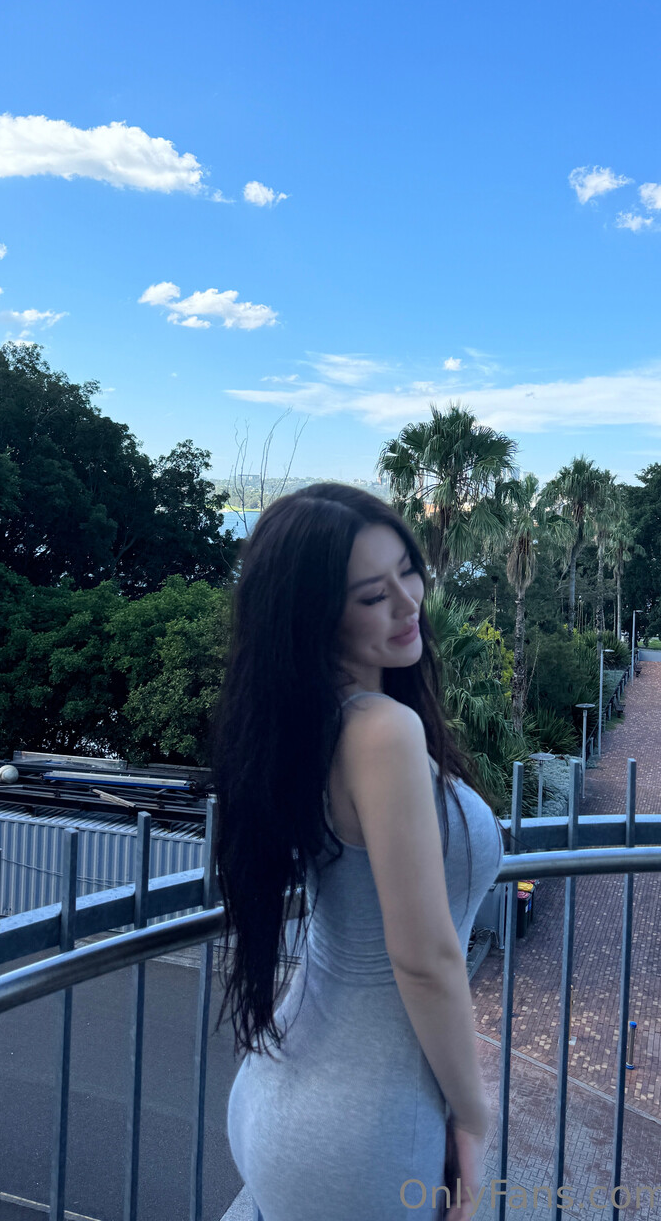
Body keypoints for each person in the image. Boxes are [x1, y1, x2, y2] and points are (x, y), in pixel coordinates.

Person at [213, 482, 506, 1220]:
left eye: (409, 572)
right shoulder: (381, 732)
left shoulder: (309, 721)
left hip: (287, 1084)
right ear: (316, 617)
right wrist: (474, 1115)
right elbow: (425, 959)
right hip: (362, 1127)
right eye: (374, 596)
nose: (409, 604)